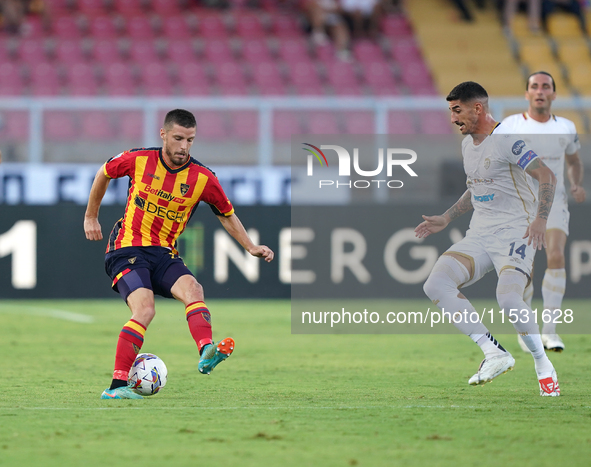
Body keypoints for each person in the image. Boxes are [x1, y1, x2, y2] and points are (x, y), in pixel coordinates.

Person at [84, 109, 274, 400]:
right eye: (178, 138)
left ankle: (206, 351)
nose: (183, 146)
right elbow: (105, 171)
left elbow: (226, 214)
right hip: (126, 248)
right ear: (163, 135)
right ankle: (117, 386)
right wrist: (91, 216)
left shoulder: (203, 178)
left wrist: (250, 246)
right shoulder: (139, 160)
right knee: (145, 309)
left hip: (162, 253)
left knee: (193, 289)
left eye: (190, 140)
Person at [415, 81, 560, 396]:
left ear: (477, 108)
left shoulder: (507, 140)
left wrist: (540, 220)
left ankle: (542, 365)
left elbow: (546, 175)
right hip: (479, 234)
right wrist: (448, 217)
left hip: (515, 232)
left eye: (457, 110)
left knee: (508, 298)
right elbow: (476, 187)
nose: (453, 119)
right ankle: (494, 353)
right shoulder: (469, 144)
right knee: (435, 285)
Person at [502, 71, 585, 352]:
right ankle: (528, 331)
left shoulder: (566, 127)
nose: (540, 91)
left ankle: (550, 331)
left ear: (553, 94)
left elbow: (574, 161)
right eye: (534, 87)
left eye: (545, 86)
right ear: (526, 94)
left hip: (556, 201)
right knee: (526, 267)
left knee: (557, 254)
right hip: (521, 204)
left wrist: (575, 183)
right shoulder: (511, 125)